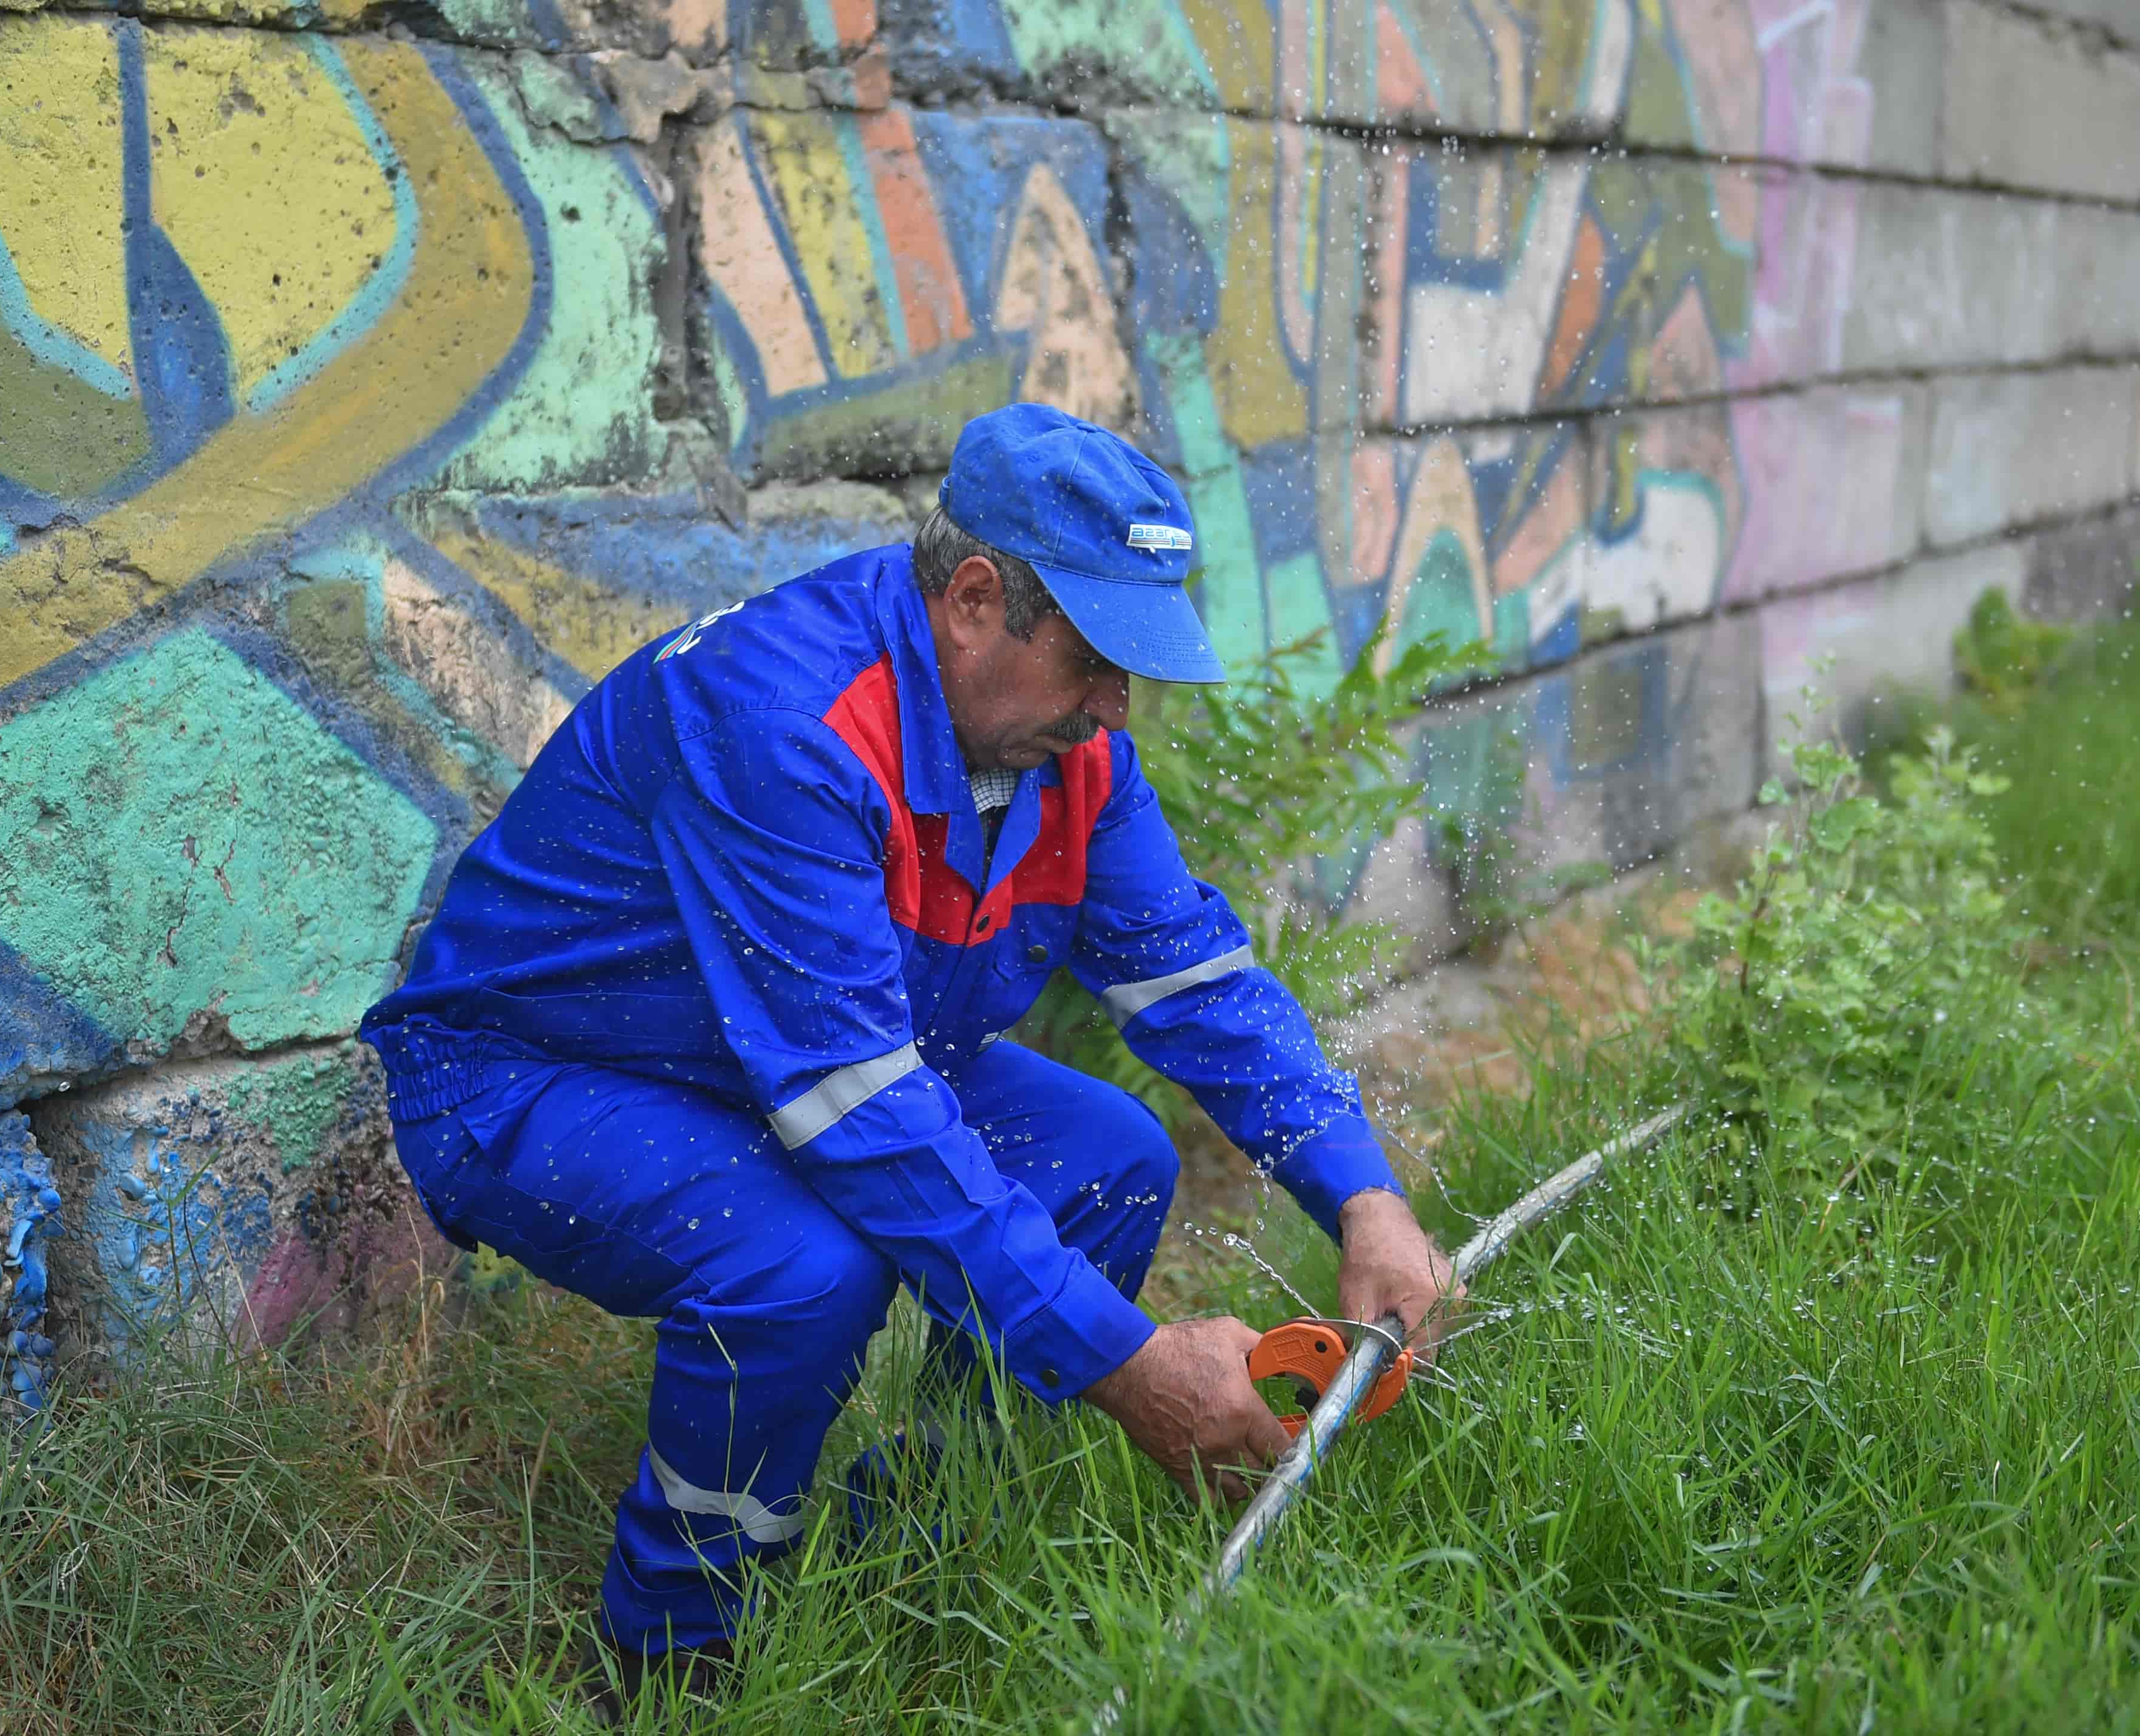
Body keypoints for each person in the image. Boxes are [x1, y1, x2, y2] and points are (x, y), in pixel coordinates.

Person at [357, 403, 1461, 1697]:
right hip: (538, 1073)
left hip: (790, 1054)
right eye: (1100, 658)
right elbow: (865, 1112)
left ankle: (905, 1561)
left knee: (1109, 1154)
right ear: (978, 599)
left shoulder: (1067, 749)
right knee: (802, 1266)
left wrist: (1365, 1194)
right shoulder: (791, 724)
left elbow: (1201, 982)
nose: (1117, 706)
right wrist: (1130, 1365)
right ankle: (678, 1660)